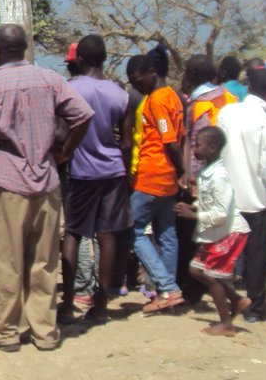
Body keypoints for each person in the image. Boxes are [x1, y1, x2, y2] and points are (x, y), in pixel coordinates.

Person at [0, 25, 92, 352]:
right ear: (25, 47)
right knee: (43, 261)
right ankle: (44, 332)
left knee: (5, 261)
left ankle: (6, 333)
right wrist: (64, 152)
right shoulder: (49, 79)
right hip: (46, 180)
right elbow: (82, 116)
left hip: (7, 181)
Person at [59, 35, 130, 326]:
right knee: (107, 235)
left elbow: (61, 132)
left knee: (73, 233)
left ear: (80, 59)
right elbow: (126, 142)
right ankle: (101, 305)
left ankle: (68, 304)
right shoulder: (120, 93)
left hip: (80, 171)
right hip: (114, 170)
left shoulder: (70, 90)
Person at [126, 46, 187, 314]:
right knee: (167, 233)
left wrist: (181, 170)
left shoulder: (158, 100)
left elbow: (170, 141)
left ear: (152, 72)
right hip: (167, 178)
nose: (137, 88)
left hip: (153, 175)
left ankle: (167, 287)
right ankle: (168, 292)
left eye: (139, 81)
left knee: (133, 230)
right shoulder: (173, 96)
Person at [174, 127, 251, 336]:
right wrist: (193, 207)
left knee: (210, 275)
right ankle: (236, 299)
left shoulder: (219, 176)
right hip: (216, 231)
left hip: (228, 231)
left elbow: (221, 213)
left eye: (198, 145)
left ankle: (226, 323)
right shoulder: (208, 171)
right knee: (196, 270)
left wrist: (194, 216)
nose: (194, 149)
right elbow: (209, 202)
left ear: (212, 148)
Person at [216, 68, 266, 322]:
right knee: (256, 257)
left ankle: (225, 302)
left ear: (249, 86)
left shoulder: (226, 112)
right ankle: (255, 308)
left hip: (228, 193)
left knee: (224, 254)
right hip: (256, 196)